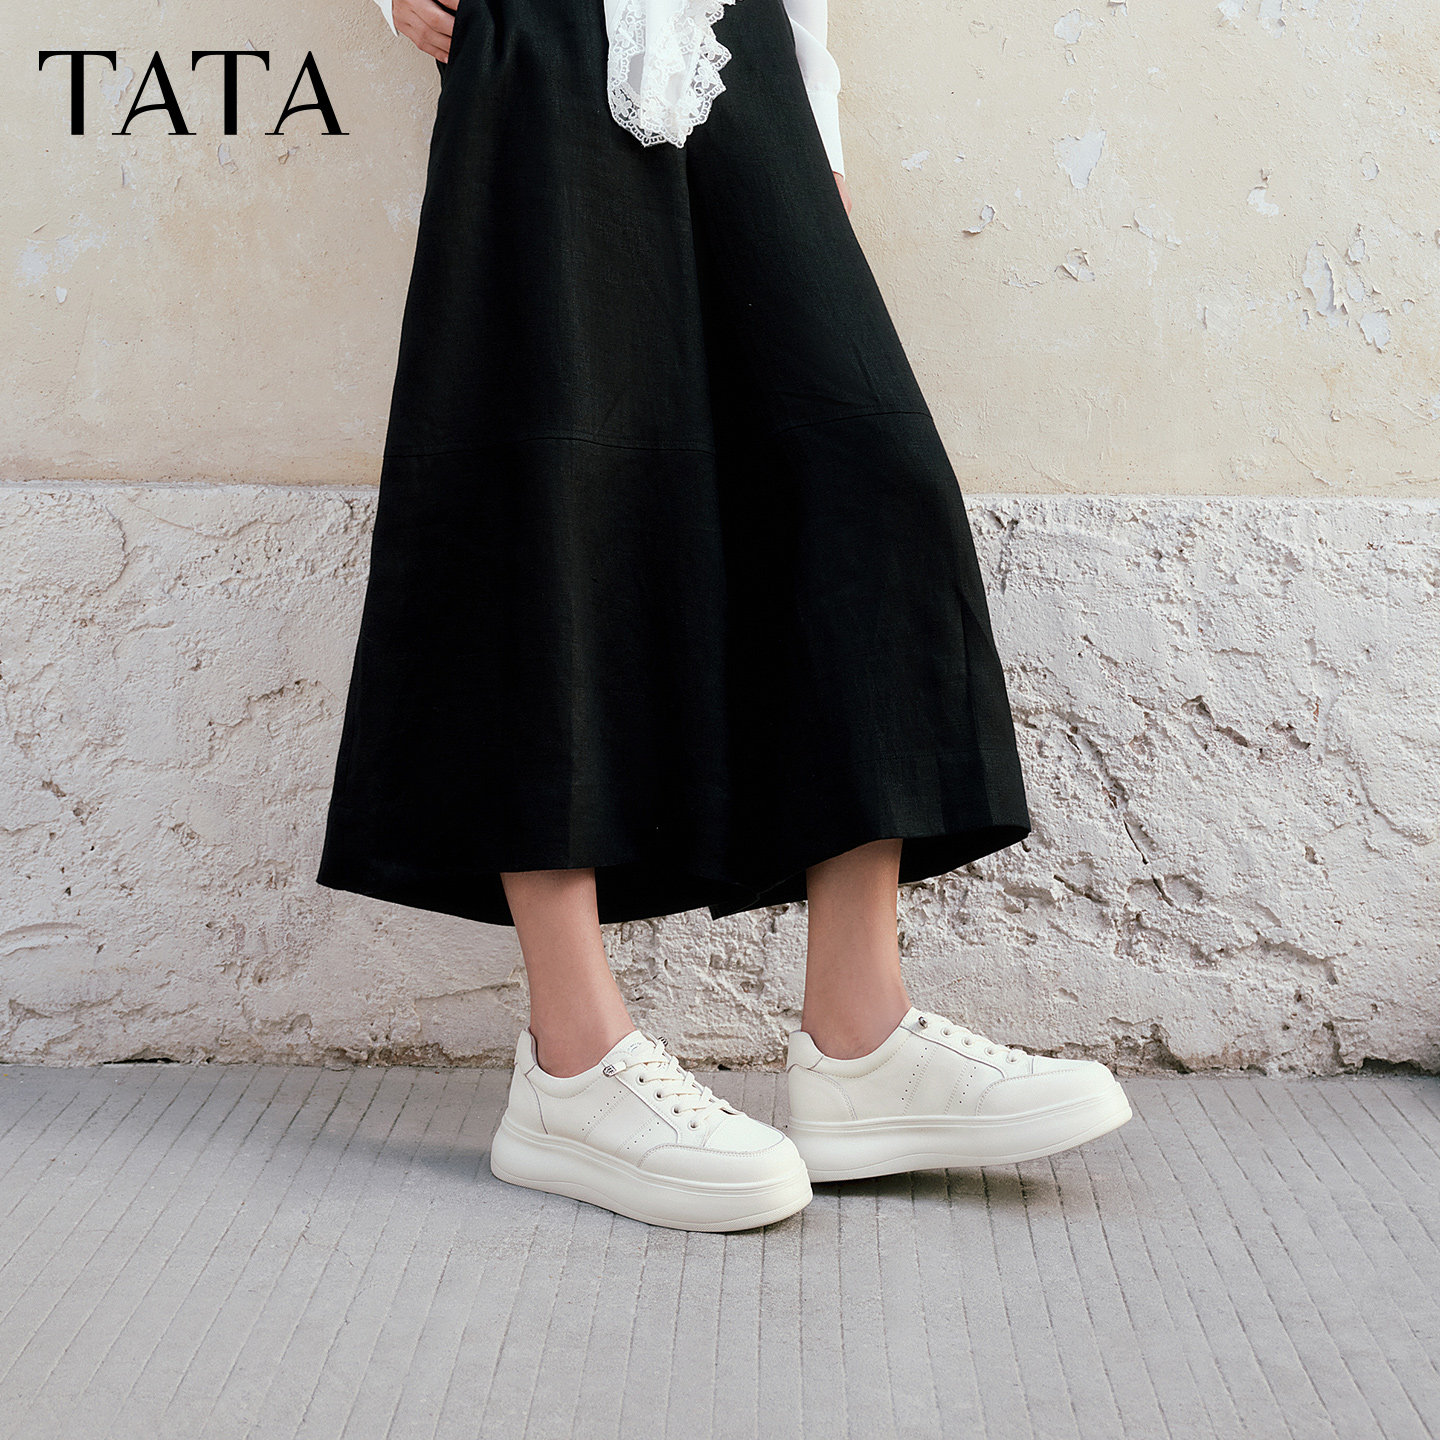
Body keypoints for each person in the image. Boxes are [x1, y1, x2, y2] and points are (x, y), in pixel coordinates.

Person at [318, 0, 1132, 1232]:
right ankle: (573, 1063)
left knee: (858, 466)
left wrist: (816, 119)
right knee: (550, 487)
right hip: (536, 37)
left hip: (738, 39)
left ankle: (861, 1040)